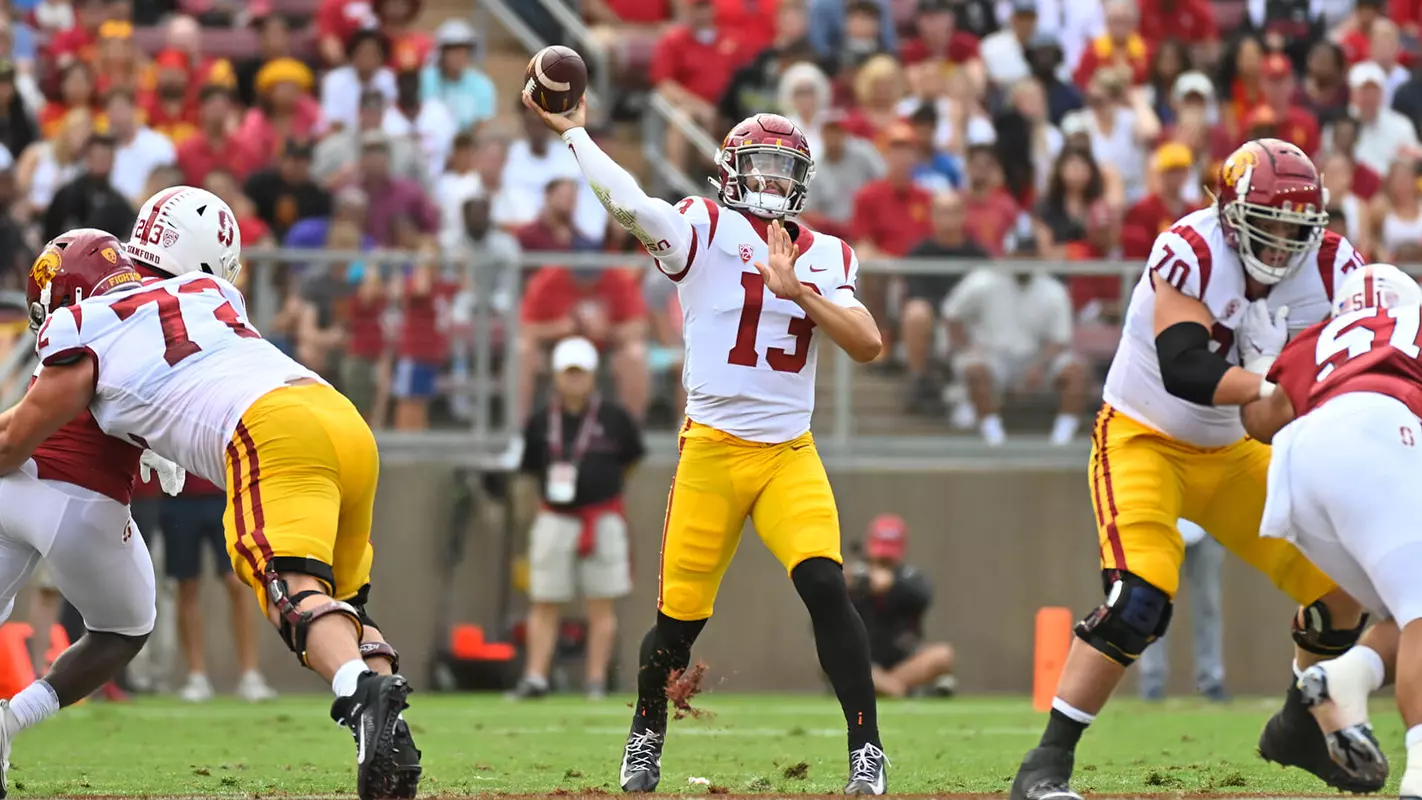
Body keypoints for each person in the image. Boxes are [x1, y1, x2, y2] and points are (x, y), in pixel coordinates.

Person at [0, 187, 421, 800]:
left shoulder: (90, 319)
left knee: (289, 589)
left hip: (269, 428)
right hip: (338, 415)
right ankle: (390, 729)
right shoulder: (213, 296)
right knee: (349, 603)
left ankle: (360, 692)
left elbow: (16, 440)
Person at [522, 93, 888, 794]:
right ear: (730, 171)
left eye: (785, 170)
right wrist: (576, 135)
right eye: (761, 166)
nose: (773, 182)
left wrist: (799, 293)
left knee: (825, 585)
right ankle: (645, 735)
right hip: (713, 451)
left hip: (787, 452)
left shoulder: (828, 254)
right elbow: (631, 206)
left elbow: (869, 343)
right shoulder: (704, 225)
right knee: (677, 625)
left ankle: (867, 751)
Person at [1009, 137, 1384, 800]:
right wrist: (1273, 386)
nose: (1280, 244)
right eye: (1266, 225)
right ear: (1229, 213)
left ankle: (1298, 726)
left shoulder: (1334, 269)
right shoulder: (1193, 249)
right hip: (1144, 436)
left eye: (1295, 229)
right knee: (1139, 599)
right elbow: (1184, 365)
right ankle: (1046, 763)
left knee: (1344, 591)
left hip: (1238, 452)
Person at [0, 229, 186, 798]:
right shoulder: (146, 319)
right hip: (83, 502)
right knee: (126, 629)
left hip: (12, 490)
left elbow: (18, 435)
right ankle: (10, 721)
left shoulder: (76, 327)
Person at [1240, 262, 1422, 793]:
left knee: (1401, 613)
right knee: (1420, 611)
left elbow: (1260, 423)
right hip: (1379, 431)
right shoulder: (1412, 322)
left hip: (1299, 461)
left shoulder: (1319, 337)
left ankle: (1341, 678)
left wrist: (1259, 362)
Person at [510, 336, 645, 701]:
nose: (574, 380)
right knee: (544, 600)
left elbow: (631, 459)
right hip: (555, 517)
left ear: (592, 376)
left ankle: (596, 680)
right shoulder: (541, 421)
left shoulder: (615, 419)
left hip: (602, 517)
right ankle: (535, 677)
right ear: (556, 376)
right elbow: (529, 470)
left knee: (601, 602)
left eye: (580, 373)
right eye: (568, 373)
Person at [847, 514, 954, 699]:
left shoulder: (909, 576)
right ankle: (899, 690)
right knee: (835, 657)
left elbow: (923, 596)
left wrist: (892, 584)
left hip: (903, 662)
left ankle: (886, 687)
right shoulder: (854, 577)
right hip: (863, 660)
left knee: (943, 655)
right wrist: (857, 582)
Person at [1136, 519, 1226, 701]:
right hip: (1161, 527)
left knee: (1208, 606)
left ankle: (1211, 678)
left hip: (1205, 527)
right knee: (1153, 604)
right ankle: (1152, 680)